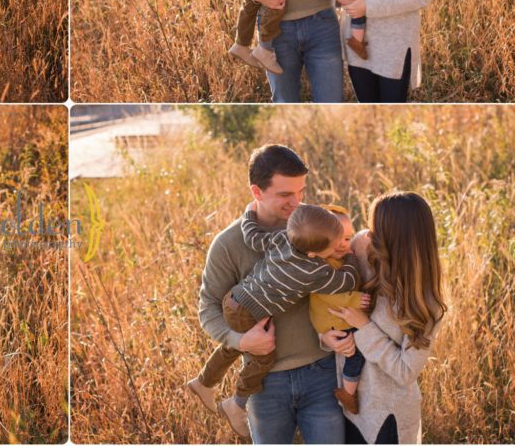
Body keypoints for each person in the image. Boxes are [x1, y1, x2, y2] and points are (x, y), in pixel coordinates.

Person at [186, 144, 353, 443]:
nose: (297, 202)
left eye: (301, 191)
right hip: (265, 386)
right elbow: (208, 309)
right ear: (257, 192)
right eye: (285, 195)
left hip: (322, 373)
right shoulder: (228, 244)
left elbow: (344, 272)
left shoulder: (313, 226)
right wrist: (241, 341)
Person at [327, 191, 446, 444]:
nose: (368, 234)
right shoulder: (361, 250)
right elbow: (331, 300)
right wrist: (325, 337)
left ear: (396, 237)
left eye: (375, 229)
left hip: (387, 416)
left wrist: (364, 327)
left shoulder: (425, 302)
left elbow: (405, 372)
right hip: (344, 406)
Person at [309, 205, 368, 414]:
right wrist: (355, 299)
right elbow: (329, 294)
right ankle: (348, 394)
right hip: (332, 319)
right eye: (339, 239)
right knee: (355, 354)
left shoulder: (339, 259)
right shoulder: (321, 265)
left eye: (348, 238)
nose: (345, 244)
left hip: (337, 316)